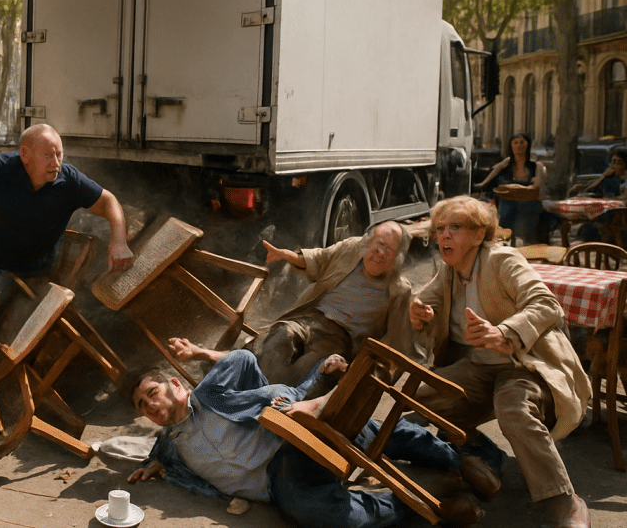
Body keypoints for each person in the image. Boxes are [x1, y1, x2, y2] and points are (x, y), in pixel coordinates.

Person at [125, 337, 492, 528]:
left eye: (152, 393)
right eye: (142, 405)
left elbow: (243, 359)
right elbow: (157, 455)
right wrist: (155, 463)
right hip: (278, 482)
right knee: (315, 516)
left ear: (175, 384)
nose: (150, 406)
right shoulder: (169, 447)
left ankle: (457, 459)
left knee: (353, 427)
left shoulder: (208, 395)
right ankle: (425, 502)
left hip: (287, 442)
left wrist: (202, 353)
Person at [410, 196, 590, 528]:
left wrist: (504, 332)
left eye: (456, 228)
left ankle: (563, 500)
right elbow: (427, 299)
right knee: (418, 398)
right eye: (440, 229)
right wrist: (420, 311)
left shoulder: (502, 260)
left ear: (479, 235)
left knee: (514, 410)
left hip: (521, 365)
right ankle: (476, 451)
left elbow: (546, 304)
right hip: (477, 367)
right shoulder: (450, 270)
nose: (444, 236)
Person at [0, 123, 134, 303]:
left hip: (34, 276)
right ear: (25, 155)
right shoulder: (0, 167)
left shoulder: (70, 180)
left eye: (59, 155)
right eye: (48, 155)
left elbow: (108, 201)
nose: (56, 163)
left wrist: (119, 241)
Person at [244, 222, 417, 388]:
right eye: (379, 244)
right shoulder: (352, 249)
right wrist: (286, 255)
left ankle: (270, 398)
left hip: (340, 338)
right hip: (309, 319)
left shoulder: (399, 290)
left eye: (390, 250)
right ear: (368, 243)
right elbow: (320, 259)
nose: (381, 253)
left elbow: (398, 345)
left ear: (397, 258)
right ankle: (252, 385)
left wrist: (368, 380)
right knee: (280, 337)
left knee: (309, 367)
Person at [474, 132, 546, 243]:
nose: (519, 145)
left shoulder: (537, 165)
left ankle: (528, 243)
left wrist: (525, 188)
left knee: (528, 213)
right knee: (507, 209)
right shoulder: (507, 163)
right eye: (515, 143)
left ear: (528, 145)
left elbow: (537, 185)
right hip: (509, 203)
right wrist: (483, 183)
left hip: (528, 203)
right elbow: (495, 170)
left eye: (522, 142)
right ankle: (505, 240)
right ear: (511, 146)